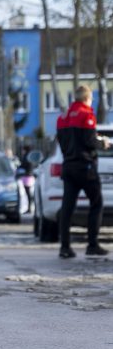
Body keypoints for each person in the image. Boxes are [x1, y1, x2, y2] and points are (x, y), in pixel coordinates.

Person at [56, 85, 111, 258]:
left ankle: (65, 247)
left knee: (67, 207)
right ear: (87, 98)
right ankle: (92, 244)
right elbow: (89, 140)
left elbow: (63, 143)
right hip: (85, 167)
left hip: (69, 167)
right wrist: (103, 143)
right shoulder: (86, 114)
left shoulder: (63, 117)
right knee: (96, 203)